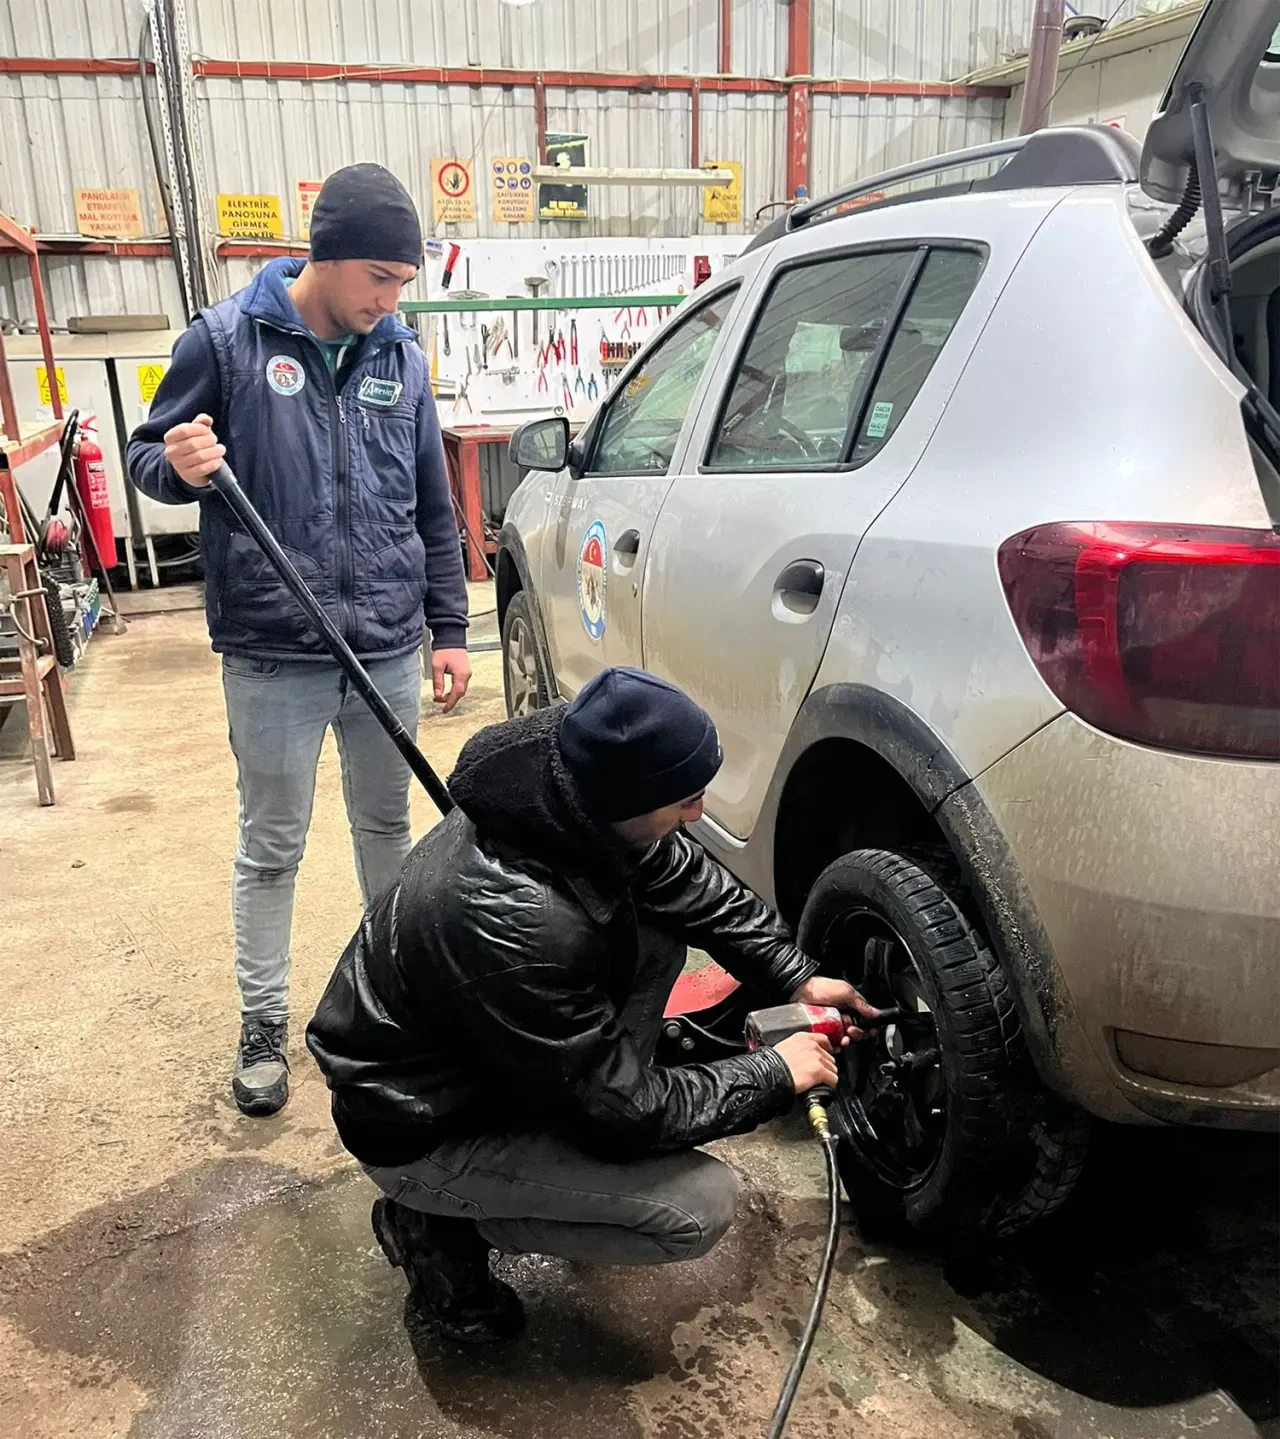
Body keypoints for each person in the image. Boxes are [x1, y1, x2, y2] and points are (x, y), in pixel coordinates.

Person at [307, 668, 880, 1344]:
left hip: (484, 1058)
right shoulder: (518, 921)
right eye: (684, 800)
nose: (697, 814)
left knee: (660, 925)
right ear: (622, 800)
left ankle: (556, 1139)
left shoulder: (566, 793)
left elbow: (683, 875)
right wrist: (776, 1074)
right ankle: (439, 1224)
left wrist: (795, 977)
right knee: (698, 1207)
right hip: (424, 1124)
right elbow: (626, 1115)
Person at [128, 163, 470, 1119]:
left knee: (386, 832)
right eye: (379, 277)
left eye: (403, 282)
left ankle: (393, 1011)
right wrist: (182, 465)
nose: (389, 299)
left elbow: (431, 508)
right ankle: (263, 1027)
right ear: (327, 259)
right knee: (271, 846)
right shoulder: (228, 342)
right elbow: (148, 452)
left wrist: (449, 628)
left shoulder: (398, 357)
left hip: (388, 648)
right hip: (275, 652)